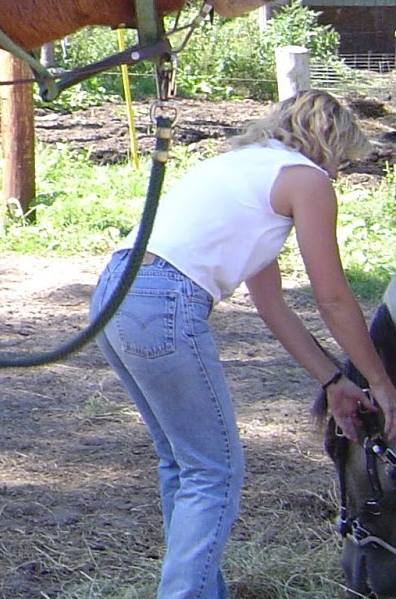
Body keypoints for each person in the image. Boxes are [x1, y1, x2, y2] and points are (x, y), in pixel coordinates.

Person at [91, 88, 396, 599]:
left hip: (115, 291)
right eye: (342, 160)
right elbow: (334, 299)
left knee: (185, 465)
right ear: (329, 143)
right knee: (216, 471)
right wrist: (382, 382)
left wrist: (335, 381)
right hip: (166, 301)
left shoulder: (241, 172)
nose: (338, 174)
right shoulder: (308, 179)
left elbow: (271, 305)